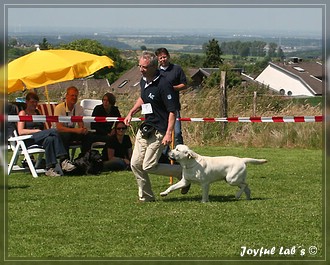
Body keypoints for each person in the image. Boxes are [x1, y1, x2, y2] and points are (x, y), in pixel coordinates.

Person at [124, 51, 189, 202]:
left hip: (160, 130)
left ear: (154, 66)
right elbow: (143, 98)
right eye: (140, 66)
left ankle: (181, 172)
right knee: (135, 164)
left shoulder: (164, 84)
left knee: (148, 166)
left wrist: (168, 133)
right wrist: (131, 112)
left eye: (144, 67)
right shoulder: (143, 80)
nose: (141, 69)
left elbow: (172, 111)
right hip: (146, 128)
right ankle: (146, 197)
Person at [17, 92, 76, 177]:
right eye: (32, 102)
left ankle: (49, 168)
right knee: (54, 131)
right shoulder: (23, 113)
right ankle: (63, 159)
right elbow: (20, 131)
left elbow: (44, 128)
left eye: (36, 102)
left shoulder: (38, 112)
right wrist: (36, 131)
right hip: (28, 138)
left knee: (50, 139)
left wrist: (43, 132)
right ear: (27, 102)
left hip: (40, 137)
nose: (34, 104)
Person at [155, 47, 187, 146]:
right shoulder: (155, 72)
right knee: (162, 134)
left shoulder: (177, 69)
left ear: (168, 57)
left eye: (164, 57)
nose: (162, 59)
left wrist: (172, 89)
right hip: (160, 109)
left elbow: (184, 84)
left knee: (177, 133)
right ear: (157, 59)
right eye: (160, 58)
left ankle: (180, 154)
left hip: (174, 107)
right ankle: (164, 156)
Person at [53, 86, 92, 155]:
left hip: (71, 131)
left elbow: (81, 124)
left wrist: (83, 130)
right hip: (58, 133)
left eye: (76, 96)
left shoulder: (79, 108)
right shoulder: (59, 108)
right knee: (65, 135)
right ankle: (65, 159)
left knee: (87, 135)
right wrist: (76, 130)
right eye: (72, 95)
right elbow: (59, 128)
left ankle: (84, 157)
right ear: (67, 96)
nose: (74, 98)